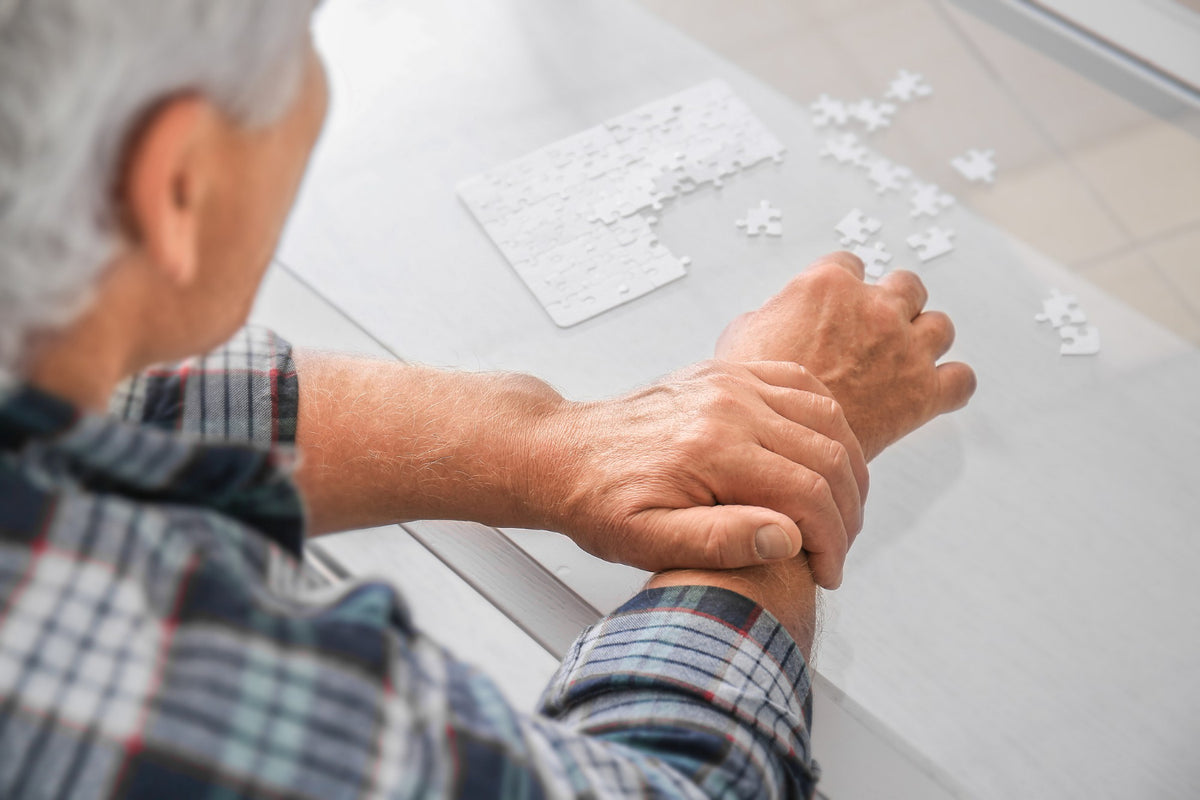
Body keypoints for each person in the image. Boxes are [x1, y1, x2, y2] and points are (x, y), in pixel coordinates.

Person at [0, 2, 975, 798]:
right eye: (308, 42)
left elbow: (121, 403)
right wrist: (797, 431)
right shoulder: (103, 667)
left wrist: (538, 440)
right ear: (178, 186)